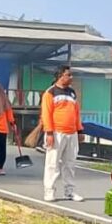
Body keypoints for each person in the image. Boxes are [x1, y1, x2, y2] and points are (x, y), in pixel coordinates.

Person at [41, 66, 84, 202]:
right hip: (56, 132)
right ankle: (49, 191)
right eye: (68, 75)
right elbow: (46, 114)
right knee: (52, 164)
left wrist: (80, 130)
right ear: (60, 76)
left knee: (70, 163)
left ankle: (69, 191)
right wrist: (49, 133)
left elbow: (76, 113)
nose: (71, 77)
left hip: (71, 133)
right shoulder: (50, 92)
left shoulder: (72, 93)